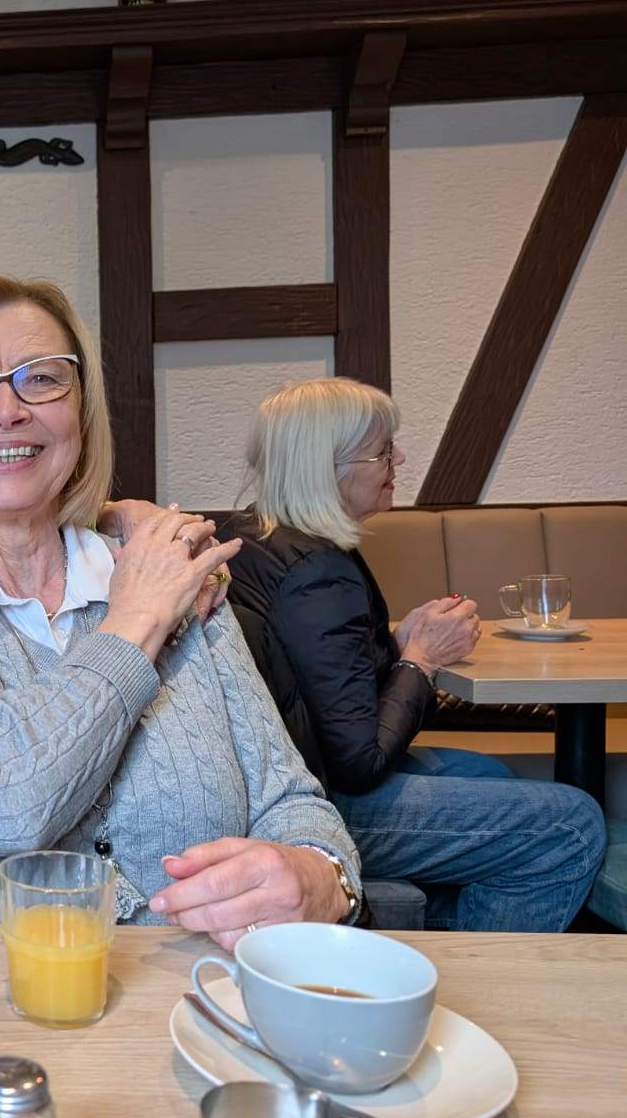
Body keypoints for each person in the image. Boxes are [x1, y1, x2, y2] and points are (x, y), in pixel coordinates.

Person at [0, 276, 363, 943]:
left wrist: (323, 875)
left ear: (80, 415)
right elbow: (4, 805)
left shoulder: (177, 569)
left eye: (42, 379)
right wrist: (138, 620)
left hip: (188, 994)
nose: (7, 410)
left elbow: (290, 799)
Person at [221, 377, 606, 931]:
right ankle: (475, 966)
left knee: (489, 774)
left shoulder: (258, 538)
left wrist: (397, 647)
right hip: (318, 805)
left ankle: (445, 927)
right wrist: (421, 661)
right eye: (382, 451)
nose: (398, 459)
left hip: (280, 777)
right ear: (329, 468)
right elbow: (360, 764)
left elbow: (314, 679)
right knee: (572, 824)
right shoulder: (316, 574)